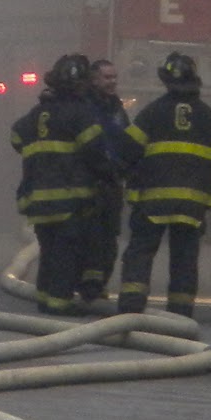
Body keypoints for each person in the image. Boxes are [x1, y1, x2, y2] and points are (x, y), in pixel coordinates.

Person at [115, 53, 211, 318]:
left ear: (165, 80)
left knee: (141, 251)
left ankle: (132, 304)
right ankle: (181, 309)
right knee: (185, 257)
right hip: (192, 202)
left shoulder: (153, 112)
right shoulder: (208, 116)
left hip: (153, 198)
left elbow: (128, 148)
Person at [10, 53, 110, 315]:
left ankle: (45, 298)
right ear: (83, 84)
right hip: (69, 198)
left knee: (48, 250)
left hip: (38, 199)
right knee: (66, 253)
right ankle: (59, 304)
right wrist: (111, 173)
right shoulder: (81, 113)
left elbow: (16, 137)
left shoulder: (38, 113)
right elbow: (95, 152)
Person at [80, 58, 133, 303]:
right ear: (94, 79)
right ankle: (88, 285)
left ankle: (99, 284)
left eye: (114, 77)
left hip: (112, 182)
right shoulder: (85, 106)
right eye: (107, 77)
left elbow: (126, 140)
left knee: (109, 236)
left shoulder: (116, 108)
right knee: (89, 235)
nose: (112, 82)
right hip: (89, 181)